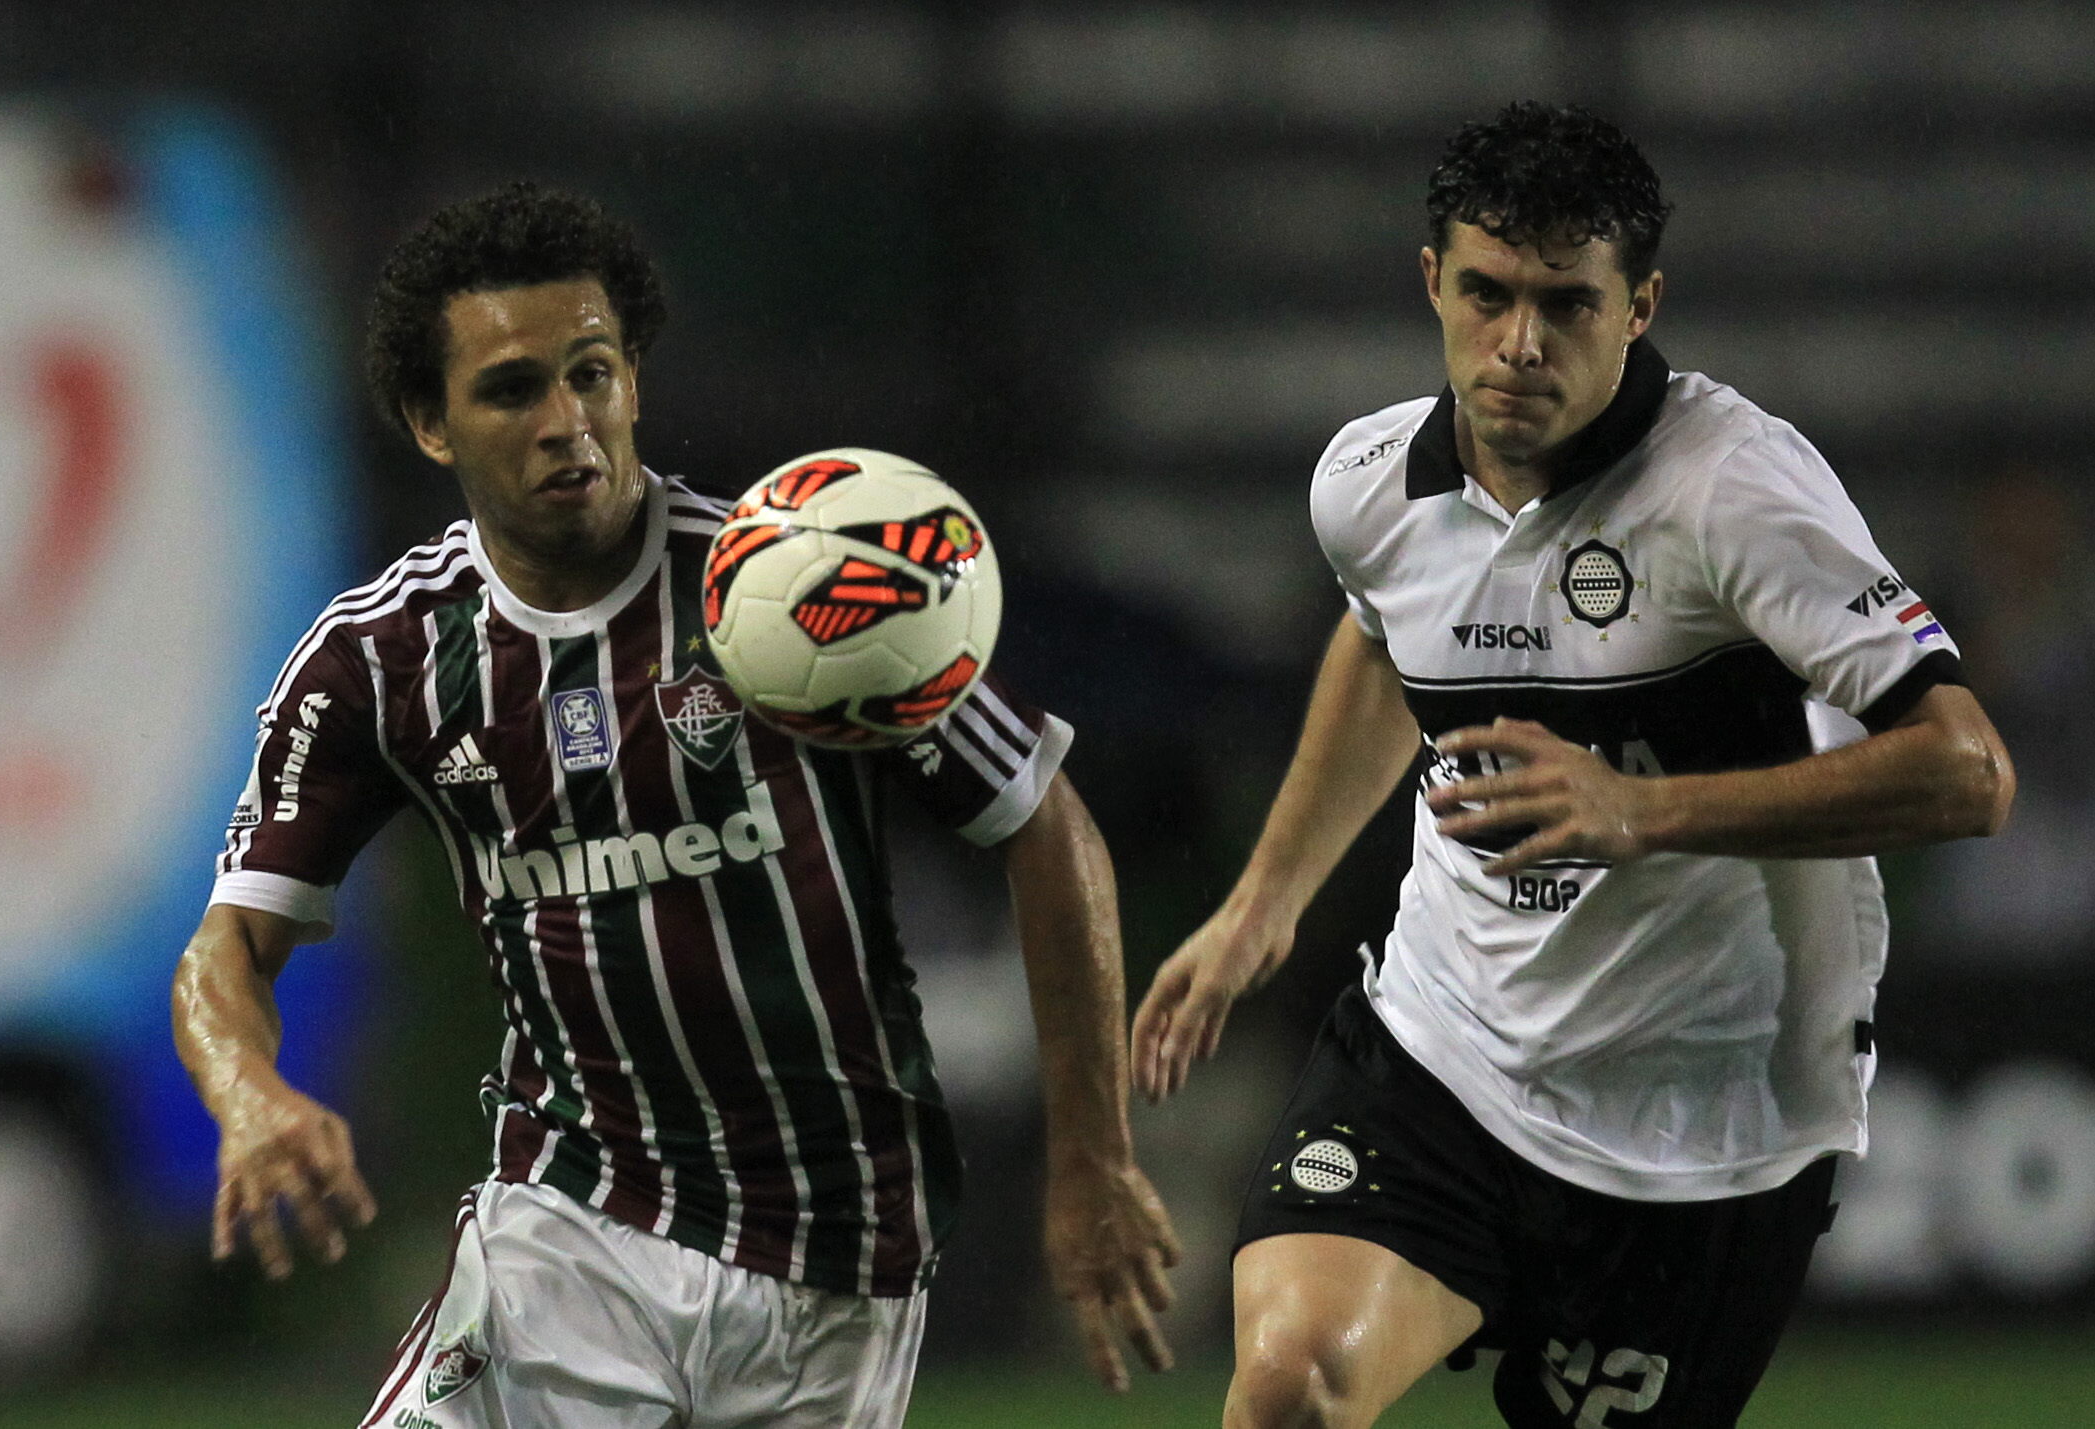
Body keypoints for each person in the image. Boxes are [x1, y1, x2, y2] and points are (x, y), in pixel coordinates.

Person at [171, 182, 1178, 1428]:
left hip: (833, 1243)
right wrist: (248, 1094)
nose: (566, 422)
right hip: (570, 1225)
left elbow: (1041, 820)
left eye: (590, 373)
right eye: (510, 389)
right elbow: (226, 947)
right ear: (431, 424)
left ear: (633, 380)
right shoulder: (380, 662)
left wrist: (1092, 1158)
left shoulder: (802, 578)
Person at [1131, 101, 2014, 1428]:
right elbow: (1381, 642)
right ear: (1432, 279)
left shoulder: (1734, 492)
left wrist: (1640, 809)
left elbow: (1965, 772)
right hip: (1442, 1048)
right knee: (1285, 1390)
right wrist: (1268, 898)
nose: (1519, 344)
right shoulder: (1366, 483)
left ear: (1639, 303)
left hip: (1707, 1115)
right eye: (1485, 294)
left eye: (1567, 303)